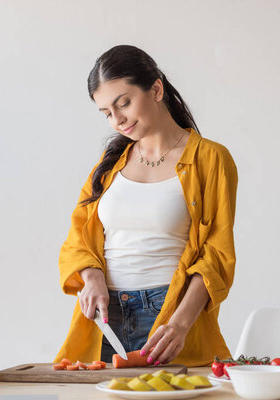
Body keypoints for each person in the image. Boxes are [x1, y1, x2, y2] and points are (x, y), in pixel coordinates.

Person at [55, 44, 238, 367]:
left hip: (168, 317)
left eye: (123, 103)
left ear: (156, 89)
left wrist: (180, 324)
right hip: (105, 321)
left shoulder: (210, 159)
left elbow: (216, 255)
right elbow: (78, 235)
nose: (117, 120)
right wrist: (93, 276)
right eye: (107, 113)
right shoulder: (111, 164)